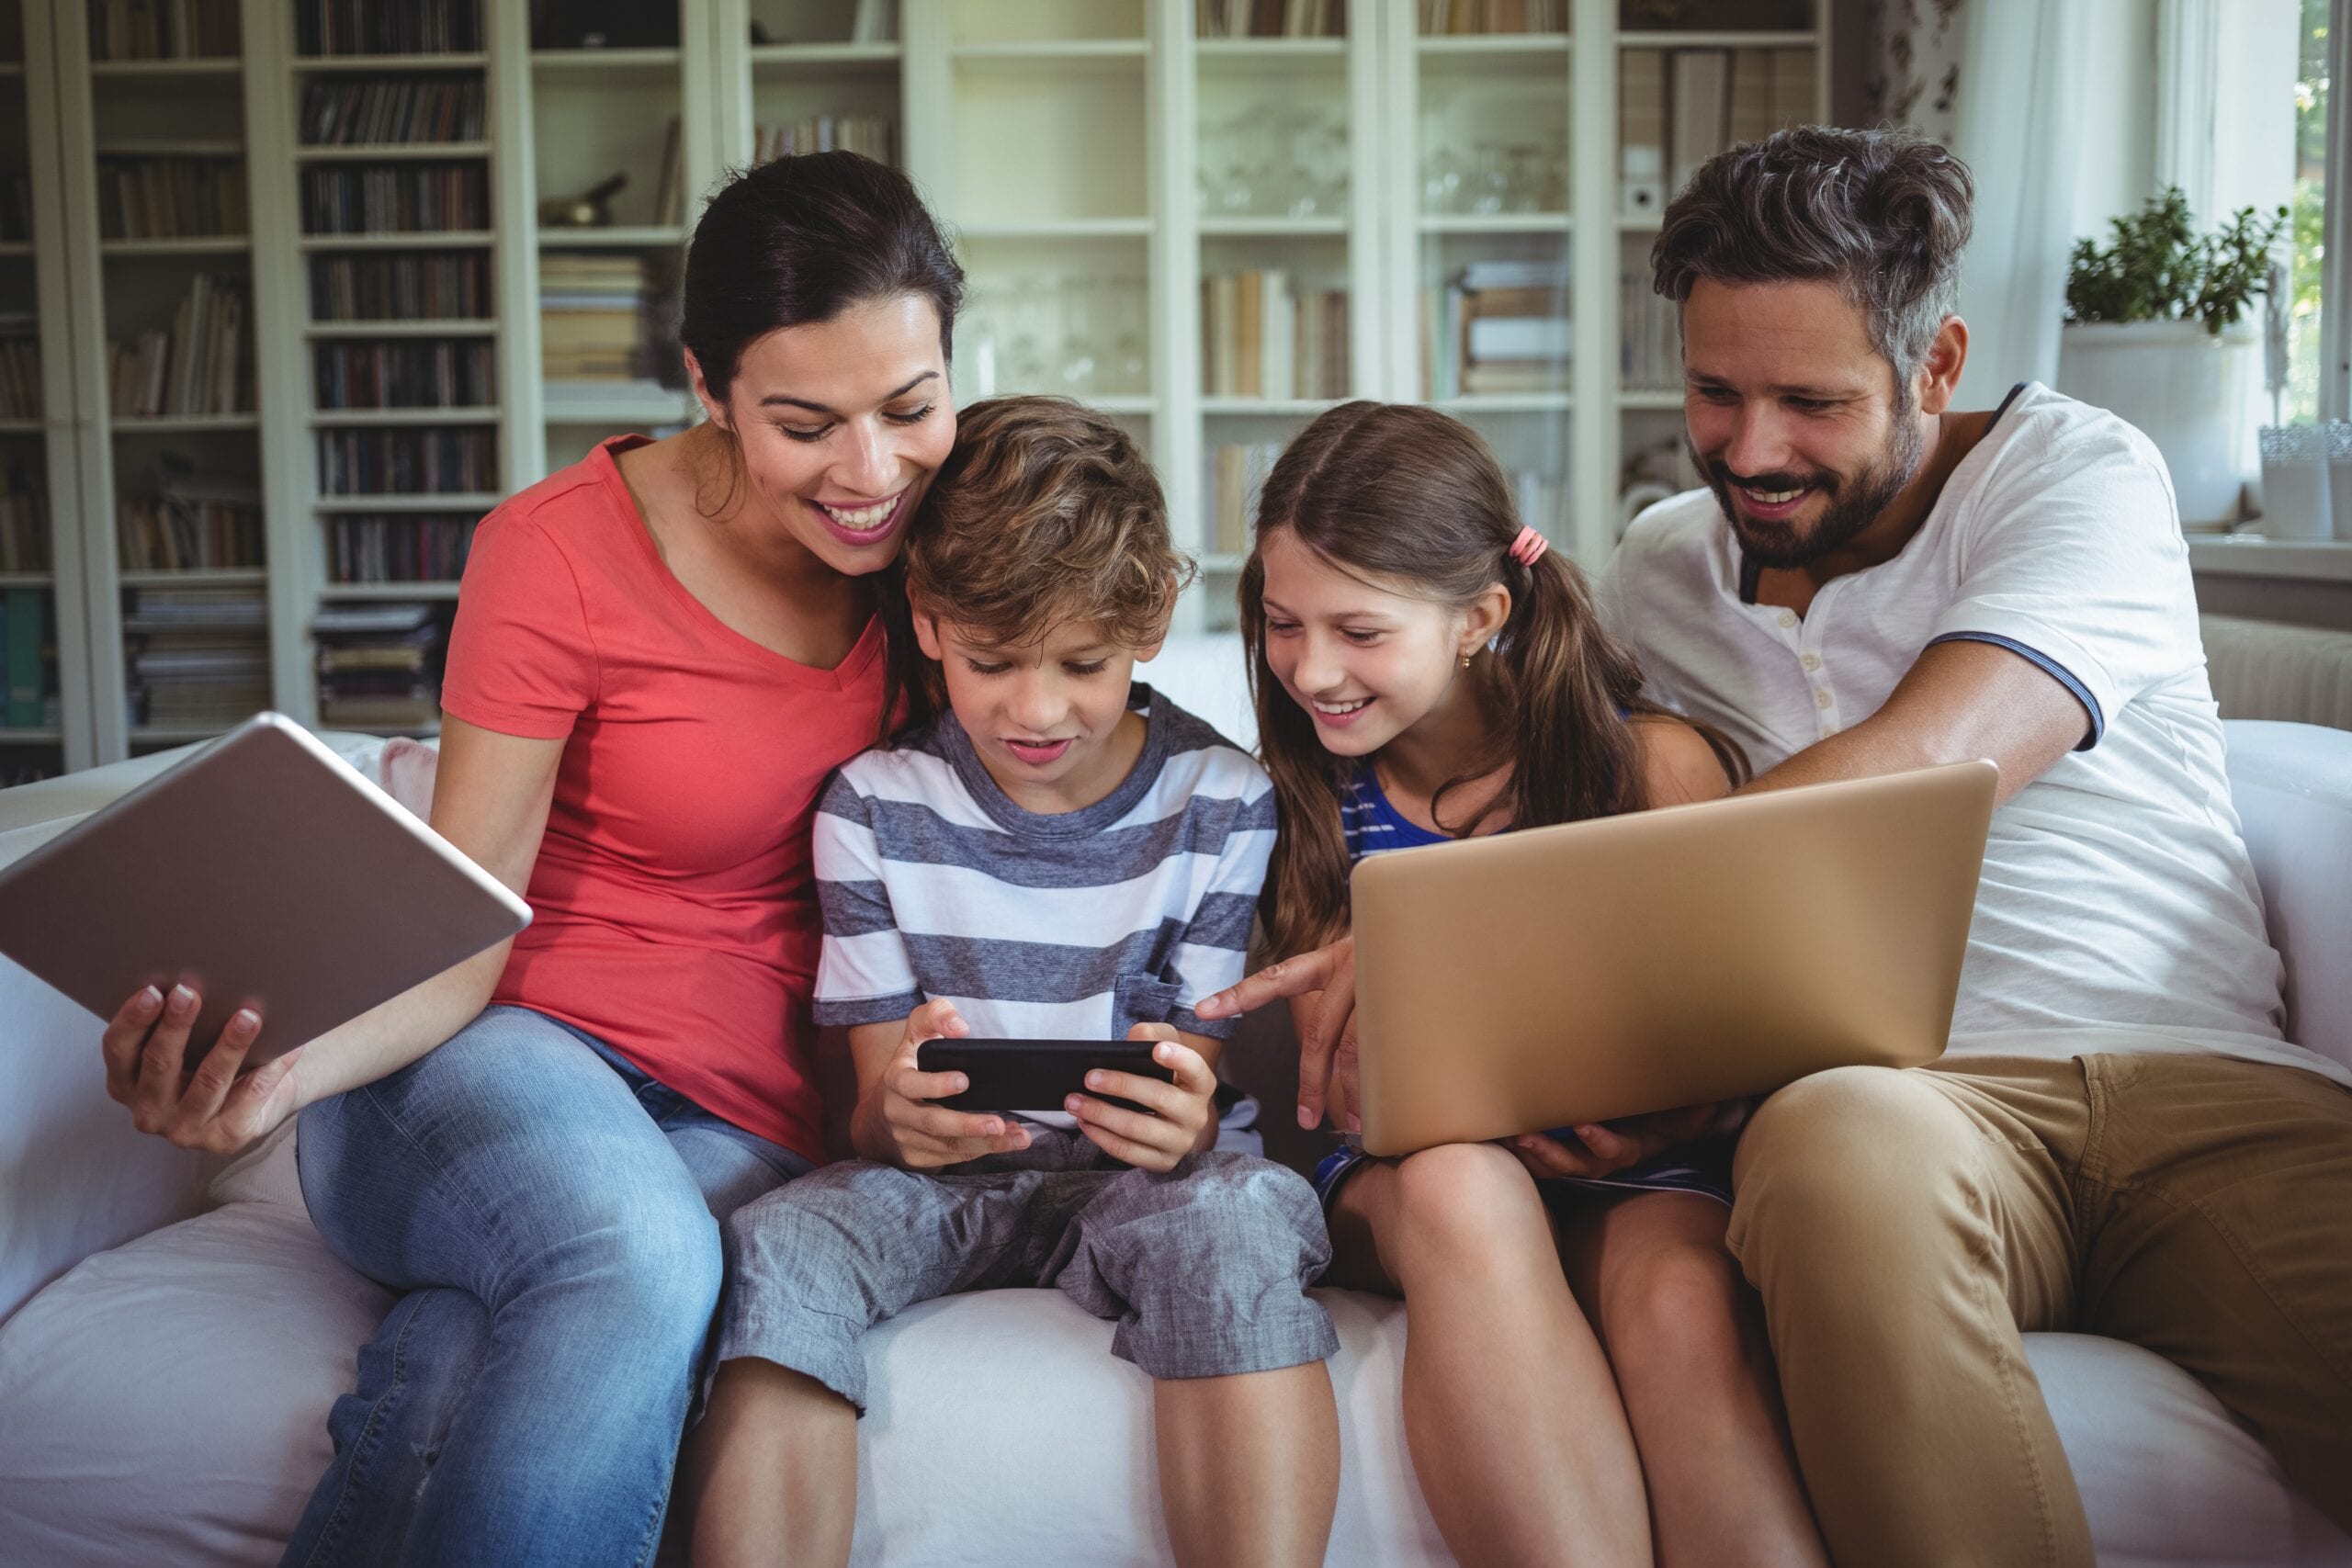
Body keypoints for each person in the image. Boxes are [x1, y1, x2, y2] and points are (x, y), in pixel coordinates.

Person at [92, 150, 965, 1567]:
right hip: (484, 1055)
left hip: (745, 1116)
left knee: (456, 1354)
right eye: (805, 424)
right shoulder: (553, 553)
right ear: (706, 385)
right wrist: (273, 1085)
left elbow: (1091, 707)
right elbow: (461, 924)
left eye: (909, 408)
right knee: (638, 1256)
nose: (871, 473)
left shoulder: (944, 543)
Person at [1594, 127, 2352, 1564]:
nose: (1751, 451)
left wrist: (1596, 937)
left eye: (1811, 401)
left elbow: (1928, 769)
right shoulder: (1655, 571)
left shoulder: (2079, 472)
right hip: (1906, 1104)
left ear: (1935, 366)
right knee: (1828, 1136)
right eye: (1714, 390)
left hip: (2206, 1080)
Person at [680, 396, 1341, 1568]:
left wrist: (1186, 1102)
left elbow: (1201, 1056)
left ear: (1148, 624)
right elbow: (873, 1109)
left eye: (1080, 664)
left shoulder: (1221, 799)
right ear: (928, 623)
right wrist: (894, 1118)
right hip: (948, 1193)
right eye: (991, 662)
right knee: (782, 1239)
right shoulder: (873, 808)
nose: (1034, 711)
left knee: (1238, 1218)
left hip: (1153, 1188)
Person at [1201, 400, 1825, 1568]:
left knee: (1682, 1308)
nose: (1312, 670)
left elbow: (1739, 1028)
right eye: (1283, 625)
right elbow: (1334, 1087)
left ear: (1481, 615)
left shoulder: (1648, 766)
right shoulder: (1293, 806)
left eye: (1358, 630)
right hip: (1406, 1179)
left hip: (1634, 1168)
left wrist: (1660, 1123)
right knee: (1459, 1187)